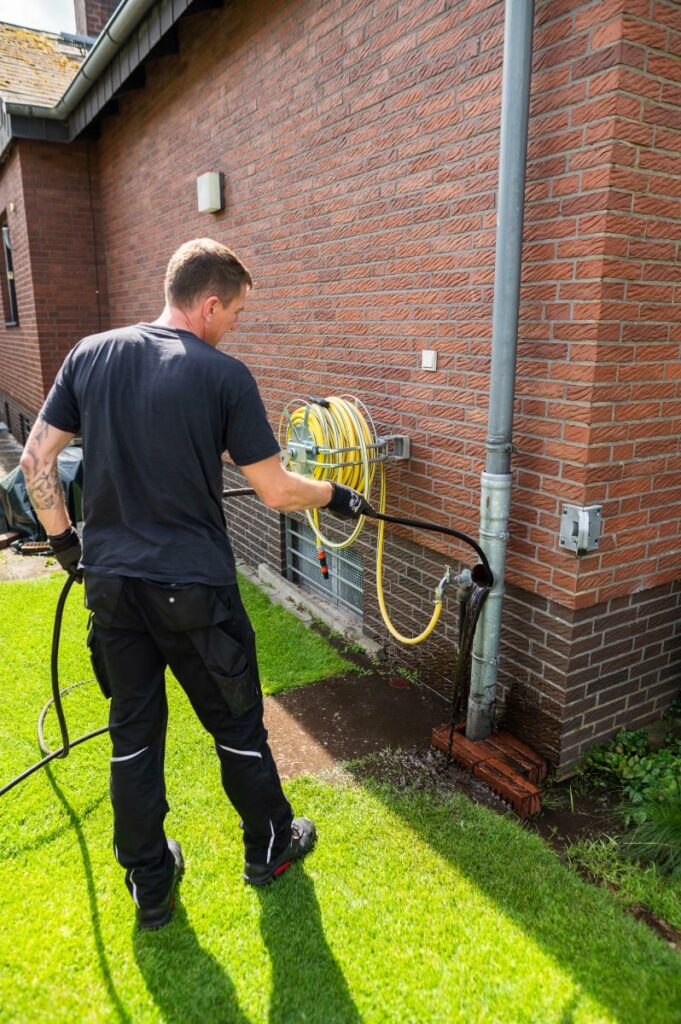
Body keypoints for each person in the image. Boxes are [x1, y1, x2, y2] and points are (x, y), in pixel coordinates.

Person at [20, 238, 370, 930]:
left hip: (114, 588)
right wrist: (333, 493)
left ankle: (151, 883)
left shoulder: (90, 353)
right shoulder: (223, 375)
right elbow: (272, 490)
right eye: (235, 311)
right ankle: (269, 847)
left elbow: (38, 457)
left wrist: (66, 544)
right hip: (194, 594)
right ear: (209, 303)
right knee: (237, 725)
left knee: (133, 734)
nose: (235, 323)